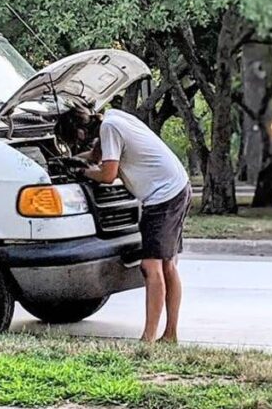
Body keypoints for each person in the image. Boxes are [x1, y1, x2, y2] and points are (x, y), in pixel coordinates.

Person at [55, 99, 192, 343]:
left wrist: (81, 172)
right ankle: (169, 335)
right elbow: (97, 156)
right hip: (177, 187)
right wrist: (71, 160)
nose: (78, 145)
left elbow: (107, 174)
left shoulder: (110, 129)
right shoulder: (113, 119)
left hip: (162, 197)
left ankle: (149, 339)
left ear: (80, 132)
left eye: (74, 141)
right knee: (168, 265)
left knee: (152, 268)